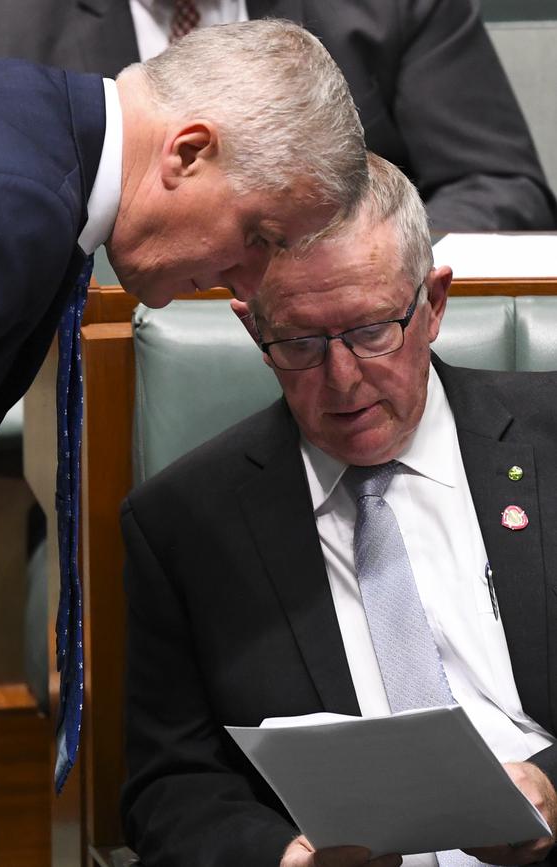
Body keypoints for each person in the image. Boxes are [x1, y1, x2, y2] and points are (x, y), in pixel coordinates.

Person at [120, 153, 557, 867]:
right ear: (253, 330)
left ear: (434, 303)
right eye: (299, 343)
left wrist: (550, 787)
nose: (344, 380)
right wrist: (283, 857)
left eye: (371, 330)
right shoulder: (183, 524)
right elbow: (167, 786)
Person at [0, 18, 365, 542]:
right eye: (258, 236)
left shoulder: (13, 113)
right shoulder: (9, 211)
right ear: (188, 152)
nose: (247, 285)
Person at [0, 0, 557, 232]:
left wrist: (351, 247)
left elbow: (502, 186)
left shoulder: (384, 7)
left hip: (351, 326)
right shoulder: (0, 20)